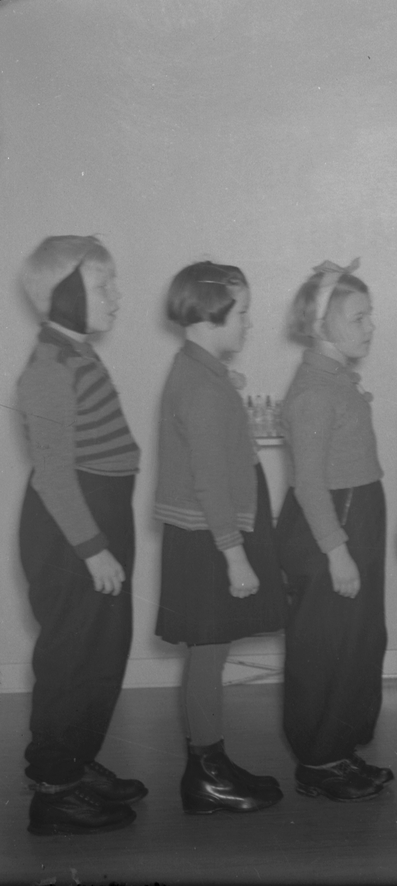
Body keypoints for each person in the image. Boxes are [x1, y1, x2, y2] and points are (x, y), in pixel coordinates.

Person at [15, 236, 145, 835]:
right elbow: (52, 475)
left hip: (100, 514)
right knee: (73, 656)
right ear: (65, 295)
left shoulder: (77, 353)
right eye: (102, 285)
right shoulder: (48, 368)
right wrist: (92, 549)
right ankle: (54, 791)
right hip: (71, 530)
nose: (116, 296)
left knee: (103, 650)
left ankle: (75, 761)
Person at [154, 262, 286, 813]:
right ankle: (205, 775)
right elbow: (209, 482)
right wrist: (235, 557)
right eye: (242, 313)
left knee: (210, 652)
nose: (249, 323)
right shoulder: (203, 388)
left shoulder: (198, 371)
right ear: (211, 317)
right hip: (210, 540)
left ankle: (210, 763)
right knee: (209, 653)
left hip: (205, 534)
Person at [276, 260, 392, 802]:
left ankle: (339, 749)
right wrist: (337, 551)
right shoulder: (313, 393)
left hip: (353, 519)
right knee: (326, 647)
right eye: (357, 318)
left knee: (358, 641)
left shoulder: (336, 380)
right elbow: (308, 484)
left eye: (370, 315)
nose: (370, 326)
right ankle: (319, 761)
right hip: (331, 529)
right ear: (322, 326)